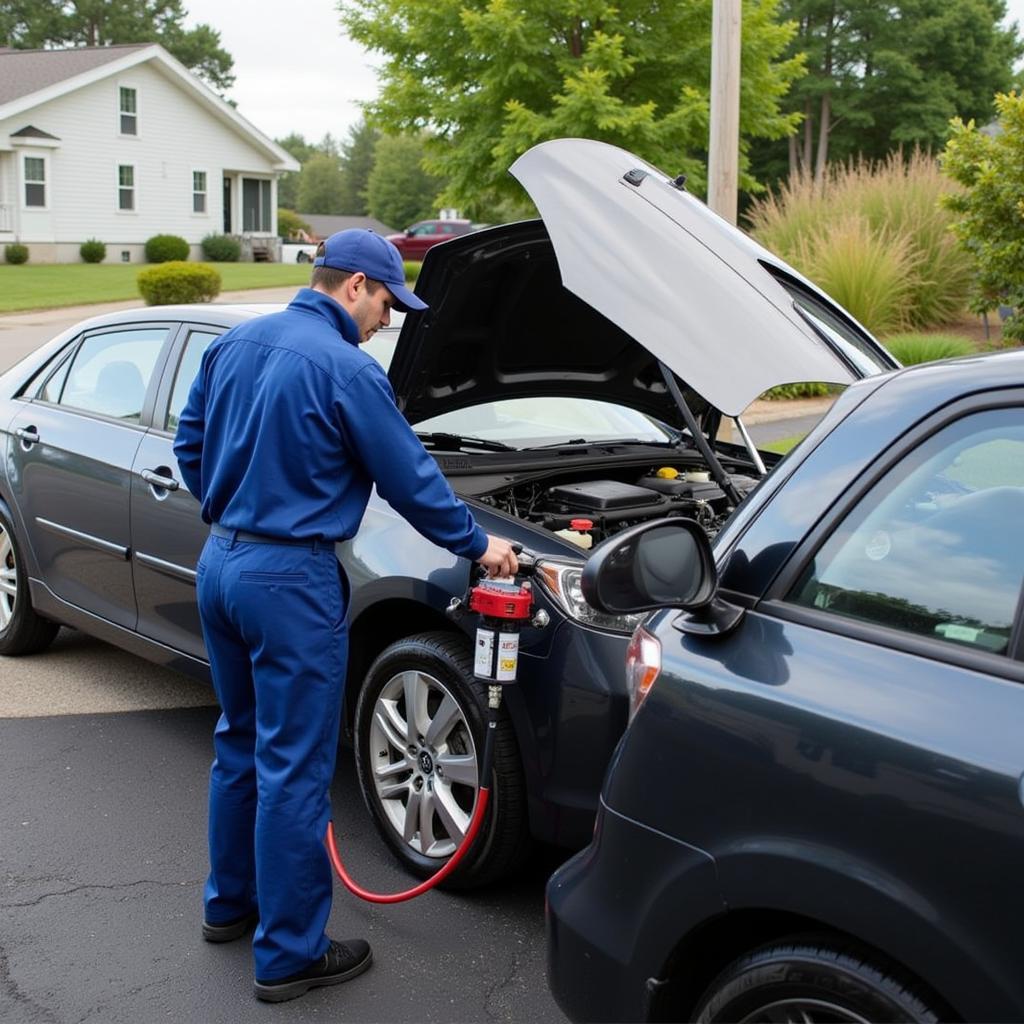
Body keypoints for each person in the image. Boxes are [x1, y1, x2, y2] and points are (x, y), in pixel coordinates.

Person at [173, 229, 518, 1003]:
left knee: (239, 743)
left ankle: (229, 908)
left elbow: (188, 444)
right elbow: (413, 482)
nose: (388, 320)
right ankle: (289, 955)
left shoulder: (237, 343)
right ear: (357, 284)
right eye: (389, 303)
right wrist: (480, 545)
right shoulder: (345, 370)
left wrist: (234, 506)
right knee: (294, 766)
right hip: (290, 580)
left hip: (222, 562)